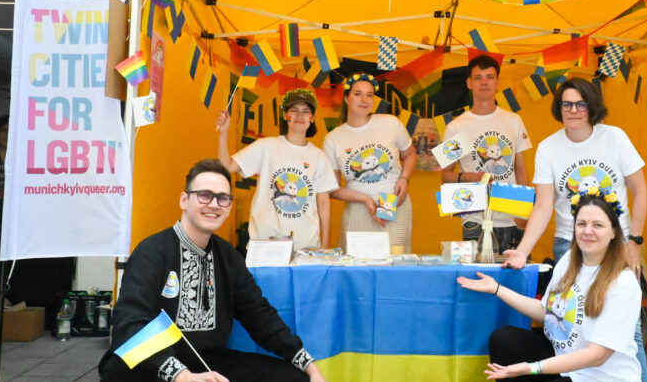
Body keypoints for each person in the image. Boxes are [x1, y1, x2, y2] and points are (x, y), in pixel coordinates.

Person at [89, 159, 333, 382]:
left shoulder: (228, 256)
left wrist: (307, 365)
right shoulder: (153, 251)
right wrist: (181, 376)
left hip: (208, 362)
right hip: (156, 368)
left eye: (223, 198)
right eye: (204, 195)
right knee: (118, 370)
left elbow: (259, 315)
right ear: (184, 200)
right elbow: (129, 323)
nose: (214, 205)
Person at [501, 77, 647, 382]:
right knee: (566, 324)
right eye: (567, 104)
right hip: (568, 246)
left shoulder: (614, 138)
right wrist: (523, 250)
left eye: (580, 104)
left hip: (614, 245)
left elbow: (639, 191)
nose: (573, 111)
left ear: (593, 107)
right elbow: (542, 206)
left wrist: (634, 241)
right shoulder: (549, 148)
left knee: (627, 335)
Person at [458, 193, 641, 382]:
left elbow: (598, 355)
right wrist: (497, 289)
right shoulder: (568, 261)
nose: (588, 231)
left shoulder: (622, 283)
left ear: (614, 231)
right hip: (568, 368)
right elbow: (548, 314)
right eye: (582, 223)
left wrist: (531, 368)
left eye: (598, 225)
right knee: (505, 339)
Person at [217, 89, 337, 250]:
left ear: (312, 118)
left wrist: (326, 243)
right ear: (285, 115)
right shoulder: (266, 146)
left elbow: (323, 203)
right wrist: (223, 133)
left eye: (305, 111)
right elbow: (227, 165)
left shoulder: (319, 157)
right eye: (293, 110)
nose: (299, 116)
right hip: (264, 242)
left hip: (306, 246)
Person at [440, 55, 532, 252]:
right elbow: (445, 176)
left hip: (513, 217)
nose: (484, 82)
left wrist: (526, 212)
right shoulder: (456, 127)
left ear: (497, 82)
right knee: (479, 279)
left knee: (513, 279)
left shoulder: (514, 120)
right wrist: (471, 176)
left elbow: (521, 168)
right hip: (474, 217)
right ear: (469, 83)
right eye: (478, 77)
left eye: (489, 77)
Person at [322, 73, 417, 250]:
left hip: (394, 204)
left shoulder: (391, 123)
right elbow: (332, 189)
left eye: (370, 94)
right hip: (357, 209)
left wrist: (404, 178)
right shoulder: (333, 138)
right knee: (354, 268)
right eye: (358, 93)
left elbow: (410, 155)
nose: (364, 99)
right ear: (346, 98)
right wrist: (365, 199)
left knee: (393, 262)